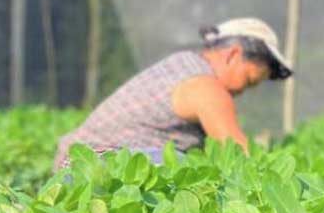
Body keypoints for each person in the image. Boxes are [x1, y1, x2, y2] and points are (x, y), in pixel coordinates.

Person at [54, 18, 293, 169]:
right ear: (232, 54)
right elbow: (240, 155)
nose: (243, 91)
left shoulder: (181, 65)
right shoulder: (206, 87)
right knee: (190, 174)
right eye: (249, 80)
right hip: (96, 166)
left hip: (74, 166)